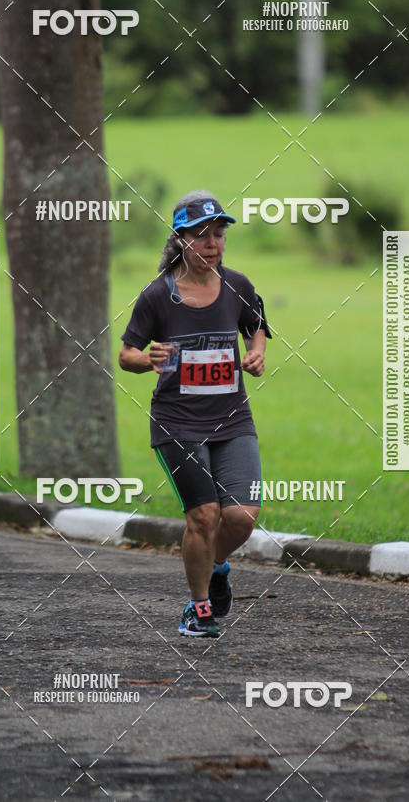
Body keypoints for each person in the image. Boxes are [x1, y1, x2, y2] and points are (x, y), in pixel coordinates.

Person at [119, 190, 271, 638]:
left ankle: (216, 565)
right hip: (177, 422)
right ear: (180, 240)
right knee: (203, 515)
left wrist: (256, 352)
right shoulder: (158, 297)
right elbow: (126, 353)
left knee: (241, 516)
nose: (212, 244)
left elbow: (256, 326)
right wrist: (148, 359)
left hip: (232, 418)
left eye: (219, 235)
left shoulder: (237, 286)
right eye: (201, 236)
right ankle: (198, 607)